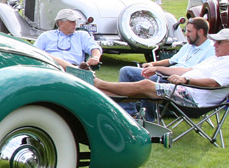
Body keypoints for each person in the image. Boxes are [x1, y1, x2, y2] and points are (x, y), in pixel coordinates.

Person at [95, 29, 229, 111]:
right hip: (183, 90)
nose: (215, 44)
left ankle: (98, 84)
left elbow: (214, 83)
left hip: (194, 99)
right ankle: (95, 94)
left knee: (146, 85)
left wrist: (186, 80)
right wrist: (157, 68)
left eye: (220, 42)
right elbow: (185, 70)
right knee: (137, 93)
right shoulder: (215, 59)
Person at [34, 8, 101, 69]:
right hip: (51, 68)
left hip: (75, 68)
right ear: (61, 23)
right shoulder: (46, 36)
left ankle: (73, 69)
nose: (75, 24)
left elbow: (94, 47)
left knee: (98, 82)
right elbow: (33, 52)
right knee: (45, 54)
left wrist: (95, 57)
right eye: (71, 21)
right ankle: (73, 69)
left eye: (75, 21)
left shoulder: (82, 35)